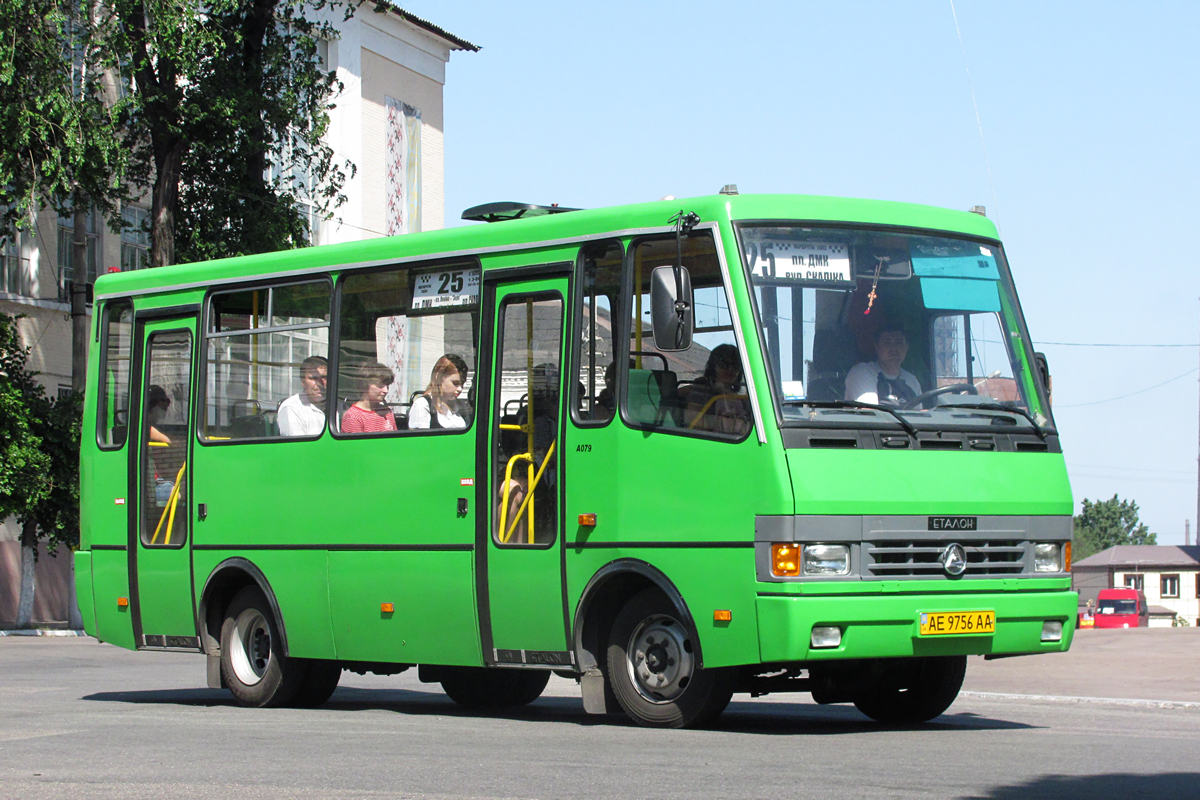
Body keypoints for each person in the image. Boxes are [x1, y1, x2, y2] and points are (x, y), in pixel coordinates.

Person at [844, 323, 921, 407]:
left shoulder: (912, 380)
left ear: (906, 347)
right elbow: (871, 415)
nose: (893, 348)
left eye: (899, 342)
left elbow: (919, 417)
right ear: (877, 347)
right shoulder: (861, 373)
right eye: (887, 343)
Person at [685, 343, 751, 435]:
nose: (730, 370)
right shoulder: (700, 391)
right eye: (724, 365)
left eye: (735, 366)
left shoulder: (744, 399)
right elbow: (693, 424)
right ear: (713, 367)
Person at [408, 354, 469, 430]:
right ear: (438, 377)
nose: (460, 389)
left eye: (462, 384)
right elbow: (420, 440)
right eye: (455, 383)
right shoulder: (423, 405)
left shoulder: (461, 406)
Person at [340, 361, 397, 434]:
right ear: (365, 385)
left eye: (387, 386)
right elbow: (357, 444)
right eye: (380, 386)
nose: (386, 391)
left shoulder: (387, 412)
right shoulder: (353, 416)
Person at [278, 355, 328, 437]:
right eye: (314, 378)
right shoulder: (291, 408)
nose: (320, 383)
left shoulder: (339, 406)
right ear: (303, 382)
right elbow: (297, 446)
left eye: (324, 377)